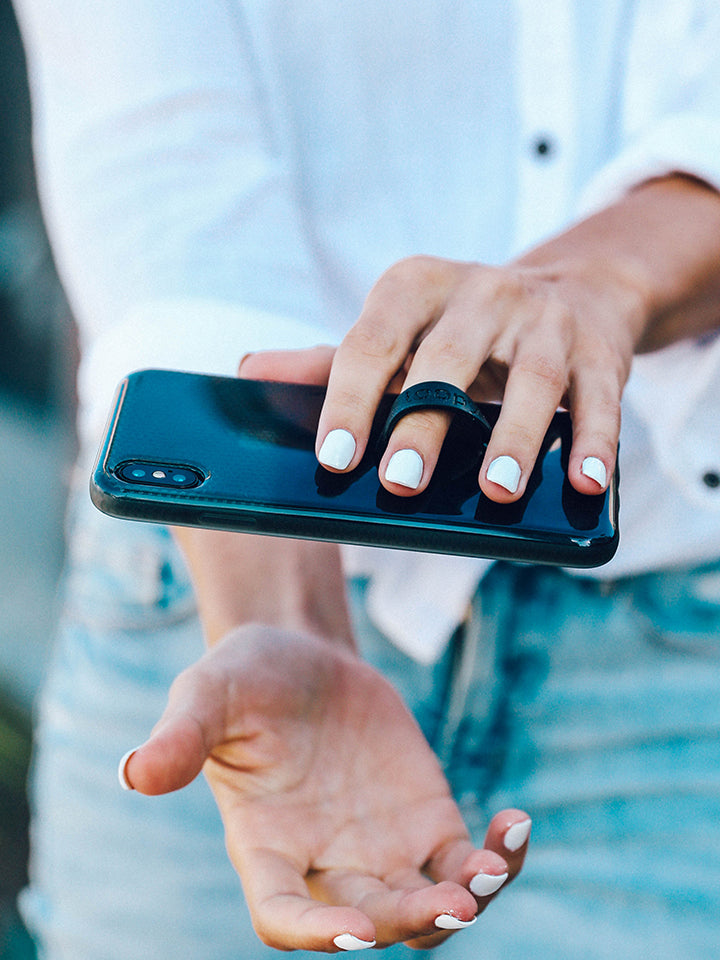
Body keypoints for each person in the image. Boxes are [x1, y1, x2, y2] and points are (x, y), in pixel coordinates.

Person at [11, 0, 720, 957]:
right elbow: (163, 164)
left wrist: (601, 284)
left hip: (672, 657)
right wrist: (281, 616)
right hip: (212, 620)